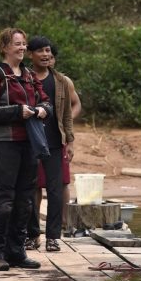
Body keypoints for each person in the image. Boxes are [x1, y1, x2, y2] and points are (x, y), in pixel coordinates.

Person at [0, 28, 52, 271]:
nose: (22, 48)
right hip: (1, 145)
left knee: (24, 201)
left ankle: (16, 252)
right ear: (5, 48)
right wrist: (16, 111)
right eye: (17, 44)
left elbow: (46, 101)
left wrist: (43, 110)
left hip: (28, 144)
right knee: (2, 200)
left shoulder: (30, 76)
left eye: (24, 44)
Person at [24, 36, 75, 252]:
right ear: (30, 55)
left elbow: (66, 115)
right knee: (29, 189)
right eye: (40, 51)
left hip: (55, 142)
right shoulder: (22, 78)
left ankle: (53, 237)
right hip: (28, 142)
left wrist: (70, 141)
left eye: (47, 51)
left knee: (55, 191)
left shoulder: (61, 81)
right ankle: (32, 234)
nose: (45, 55)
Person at [49, 44, 82, 232]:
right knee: (35, 183)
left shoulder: (63, 81)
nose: (48, 59)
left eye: (52, 56)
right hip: (37, 137)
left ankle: (63, 222)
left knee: (62, 181)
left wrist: (66, 119)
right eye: (44, 53)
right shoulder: (28, 78)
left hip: (59, 138)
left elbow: (76, 104)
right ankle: (34, 225)